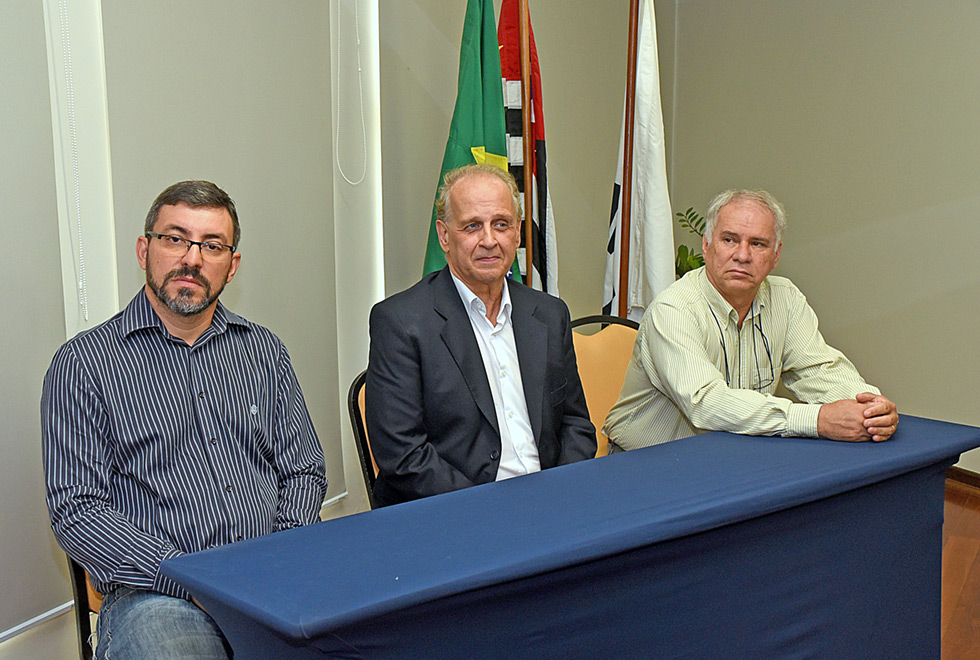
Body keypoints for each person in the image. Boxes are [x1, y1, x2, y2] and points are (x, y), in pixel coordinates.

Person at [42, 181, 327, 659]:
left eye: (211, 245)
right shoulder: (85, 363)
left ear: (231, 266)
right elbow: (77, 509)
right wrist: (191, 580)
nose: (191, 259)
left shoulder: (264, 352)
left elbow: (303, 469)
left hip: (275, 577)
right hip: (158, 595)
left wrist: (279, 557)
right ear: (143, 249)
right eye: (175, 239)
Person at [366, 164, 596, 506]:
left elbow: (576, 424)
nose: (489, 240)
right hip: (456, 512)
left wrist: (558, 494)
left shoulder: (549, 314)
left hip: (552, 501)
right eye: (472, 226)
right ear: (444, 236)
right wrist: (491, 509)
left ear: (517, 233)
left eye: (501, 224)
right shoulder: (400, 322)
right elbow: (404, 455)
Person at [603, 189, 898, 451]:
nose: (742, 255)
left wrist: (870, 407)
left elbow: (818, 369)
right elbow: (706, 403)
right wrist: (817, 420)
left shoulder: (786, 299)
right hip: (648, 463)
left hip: (737, 456)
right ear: (706, 245)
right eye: (729, 239)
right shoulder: (674, 308)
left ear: (775, 255)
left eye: (758, 244)